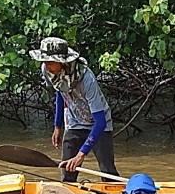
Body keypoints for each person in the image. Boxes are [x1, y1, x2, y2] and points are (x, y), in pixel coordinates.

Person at [29, 36, 119, 182]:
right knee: (67, 171)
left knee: (107, 171)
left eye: (50, 62)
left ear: (62, 62)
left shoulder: (87, 79)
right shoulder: (47, 69)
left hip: (98, 125)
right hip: (74, 122)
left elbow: (100, 122)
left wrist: (81, 154)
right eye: (44, 61)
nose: (46, 65)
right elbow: (60, 92)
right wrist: (58, 126)